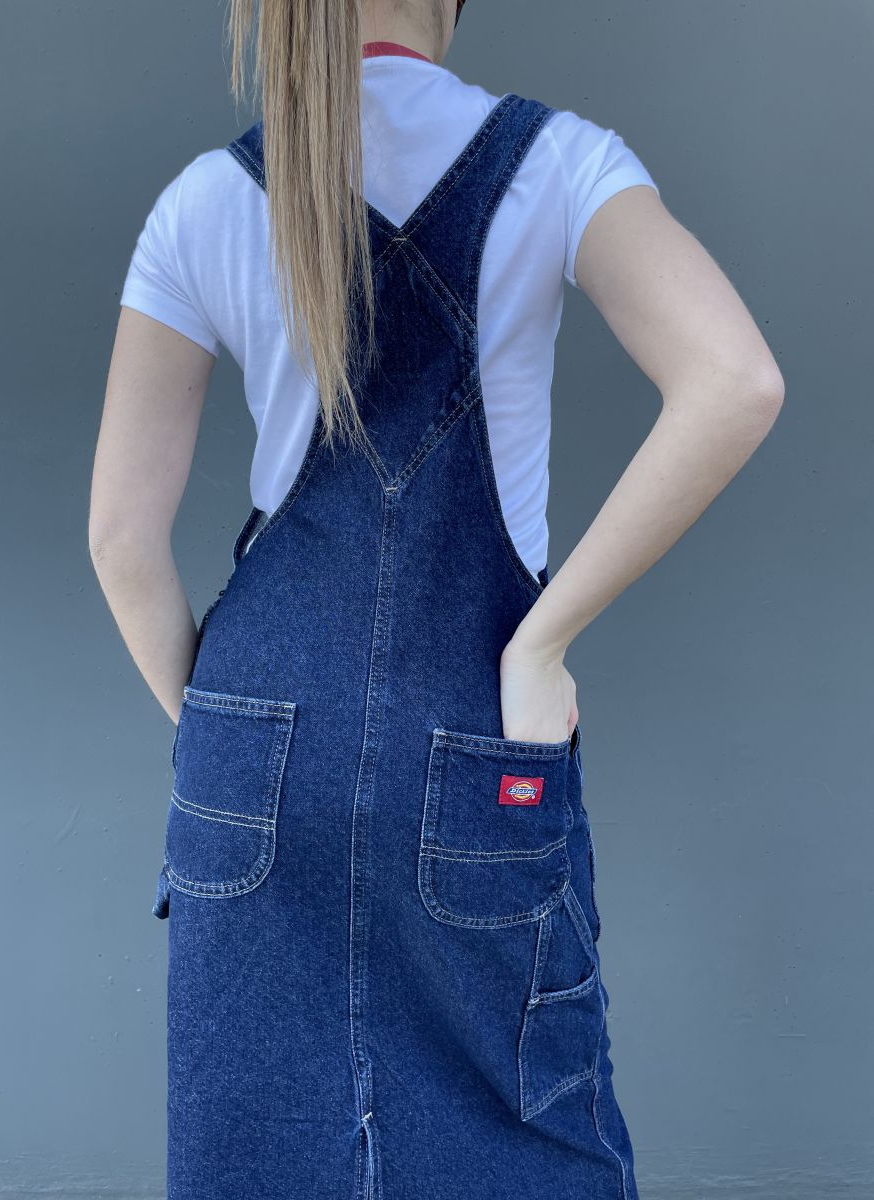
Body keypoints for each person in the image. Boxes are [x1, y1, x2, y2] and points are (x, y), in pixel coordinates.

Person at [89, 2, 784, 1197]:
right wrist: (542, 645)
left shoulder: (201, 201)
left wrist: (229, 740)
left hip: (256, 730)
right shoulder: (560, 164)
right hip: (473, 724)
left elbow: (119, 539)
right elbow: (737, 380)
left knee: (257, 1158)